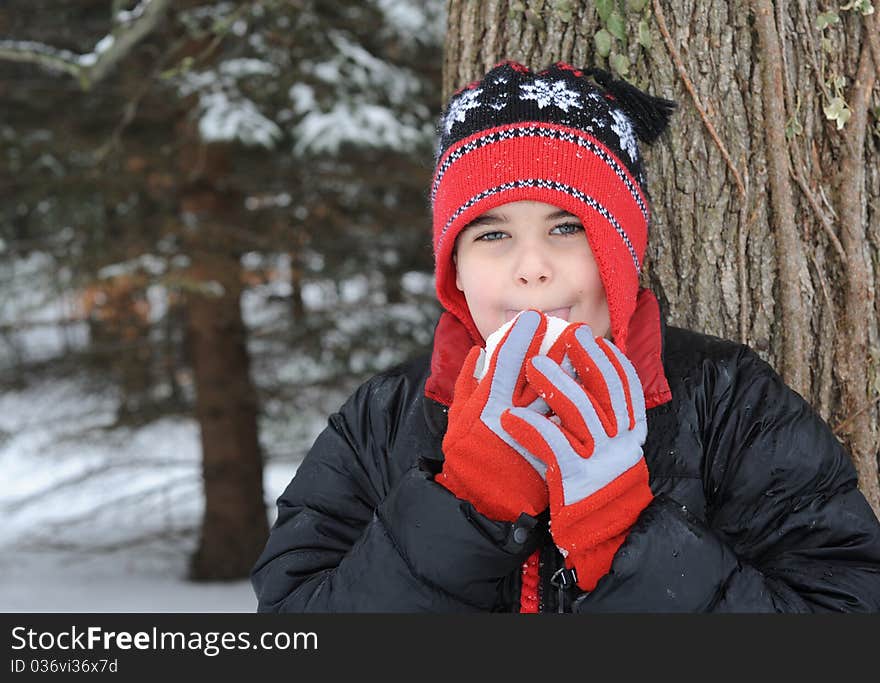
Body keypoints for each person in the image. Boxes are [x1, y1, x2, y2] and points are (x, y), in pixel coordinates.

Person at [250, 61, 880, 612]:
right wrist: (465, 510)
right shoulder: (385, 418)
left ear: (622, 251)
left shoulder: (729, 402)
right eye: (492, 234)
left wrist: (623, 537)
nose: (532, 266)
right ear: (456, 273)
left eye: (567, 228)